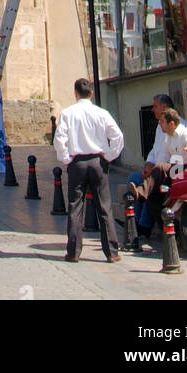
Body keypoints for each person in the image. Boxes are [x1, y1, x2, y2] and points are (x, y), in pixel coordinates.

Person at [53, 77, 124, 264]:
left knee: (75, 206)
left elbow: (59, 139)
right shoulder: (101, 113)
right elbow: (117, 136)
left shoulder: (68, 113)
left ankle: (73, 252)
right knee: (104, 206)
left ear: (75, 93)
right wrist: (108, 156)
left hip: (77, 162)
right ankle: (112, 252)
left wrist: (67, 159)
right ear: (91, 93)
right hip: (98, 161)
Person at [128, 108, 187, 241]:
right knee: (153, 197)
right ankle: (171, 233)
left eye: (162, 122)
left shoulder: (186, 132)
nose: (159, 124)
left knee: (160, 167)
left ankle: (139, 193)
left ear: (171, 123)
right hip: (176, 172)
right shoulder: (168, 138)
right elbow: (164, 156)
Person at [126, 92, 184, 245]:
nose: (152, 109)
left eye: (155, 106)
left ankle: (143, 227)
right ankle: (135, 221)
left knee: (151, 189)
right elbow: (156, 149)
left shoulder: (180, 128)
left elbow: (177, 156)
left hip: (171, 173)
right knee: (134, 178)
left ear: (164, 107)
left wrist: (156, 169)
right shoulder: (161, 126)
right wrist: (148, 163)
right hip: (156, 170)